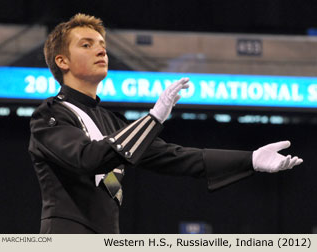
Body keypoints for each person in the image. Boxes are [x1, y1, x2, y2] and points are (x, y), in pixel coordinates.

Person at [28, 13, 303, 234]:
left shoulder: (112, 122)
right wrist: (153, 119)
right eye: (86, 44)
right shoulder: (49, 116)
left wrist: (250, 160)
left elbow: (178, 157)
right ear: (61, 60)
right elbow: (87, 160)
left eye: (102, 45)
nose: (101, 51)